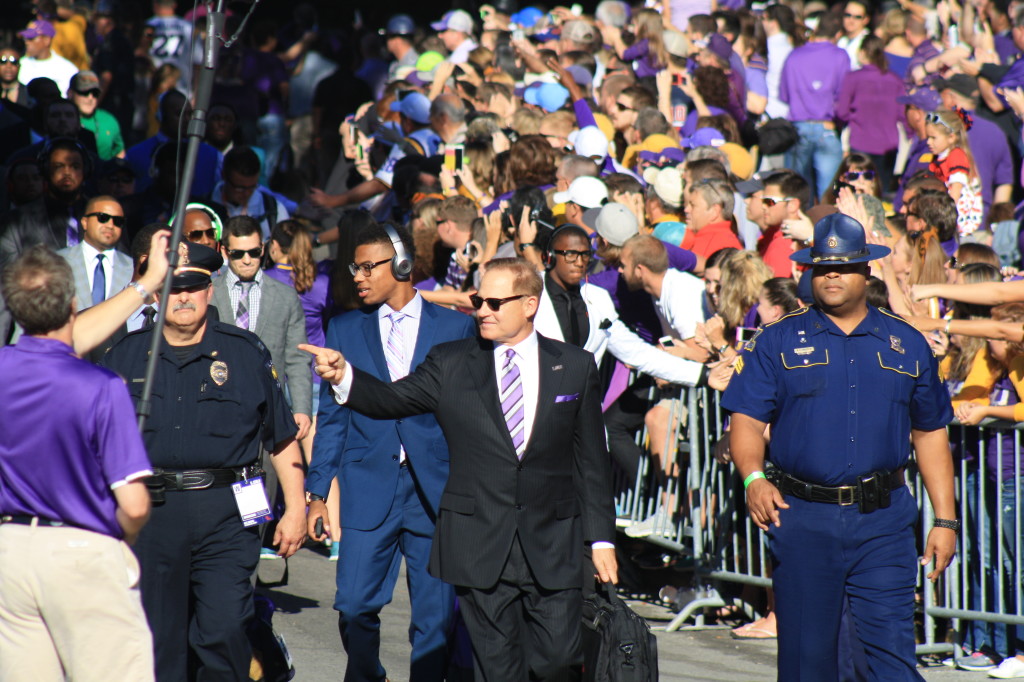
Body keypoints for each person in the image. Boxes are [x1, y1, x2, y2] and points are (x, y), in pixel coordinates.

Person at [303, 258, 618, 681]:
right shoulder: (451, 362)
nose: (482, 309)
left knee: (558, 662)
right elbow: (390, 401)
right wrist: (345, 377)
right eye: (477, 299)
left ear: (529, 304)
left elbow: (592, 462)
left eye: (494, 301)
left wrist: (600, 539)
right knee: (497, 669)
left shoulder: (575, 365)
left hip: (554, 544)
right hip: (480, 542)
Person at [721, 213, 958, 680]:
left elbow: (930, 432)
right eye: (822, 266)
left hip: (884, 522)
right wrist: (753, 476)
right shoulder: (777, 341)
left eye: (844, 266)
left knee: (890, 660)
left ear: (866, 272)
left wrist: (945, 519)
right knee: (809, 663)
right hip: (804, 518)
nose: (832, 274)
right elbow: (746, 420)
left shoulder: (906, 345)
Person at [101, 241, 307, 681]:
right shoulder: (125, 356)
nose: (183, 297)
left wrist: (296, 509)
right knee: (159, 641)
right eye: (173, 287)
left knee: (225, 629)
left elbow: (282, 438)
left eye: (193, 286)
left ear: (209, 289)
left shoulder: (246, 353)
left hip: (230, 513)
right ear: (156, 293)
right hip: (152, 514)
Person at [306, 221, 476, 681]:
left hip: (435, 491)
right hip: (368, 486)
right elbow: (334, 416)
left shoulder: (457, 328)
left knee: (436, 622)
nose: (357, 277)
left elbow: (468, 417)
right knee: (354, 606)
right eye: (353, 268)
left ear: (401, 264)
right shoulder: (343, 328)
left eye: (367, 267)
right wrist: (317, 491)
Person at [0, 245, 154, 681]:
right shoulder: (100, 385)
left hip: (10, 551)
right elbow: (137, 504)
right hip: (82, 550)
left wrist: (145, 285)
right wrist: (123, 536)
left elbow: (63, 343)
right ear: (72, 304)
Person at [58, 195, 132, 310]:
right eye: (103, 217)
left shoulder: (132, 268)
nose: (110, 225)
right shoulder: (56, 261)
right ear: (84, 222)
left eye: (118, 221)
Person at [925, 108, 983, 237]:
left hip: (958, 221)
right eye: (927, 137)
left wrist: (942, 216)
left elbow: (955, 192)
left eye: (933, 138)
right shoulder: (937, 158)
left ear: (951, 137)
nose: (928, 142)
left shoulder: (956, 156)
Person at [16, 20, 77, 96]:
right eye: (25, 39)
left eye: (31, 38)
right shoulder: (19, 65)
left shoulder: (67, 69)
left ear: (46, 40)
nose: (27, 42)